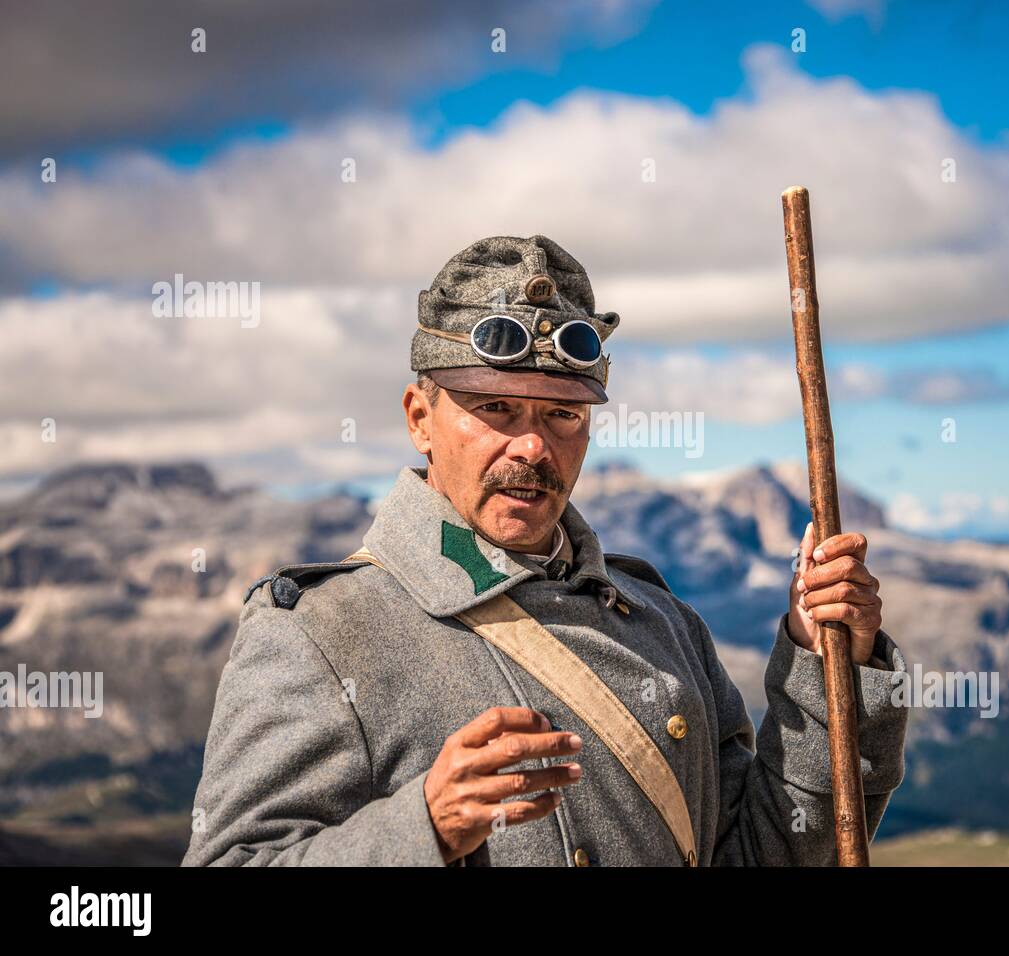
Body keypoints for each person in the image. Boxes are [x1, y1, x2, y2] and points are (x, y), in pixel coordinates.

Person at [182, 235, 907, 866]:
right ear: (419, 419)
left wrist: (820, 660)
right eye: (494, 408)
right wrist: (424, 828)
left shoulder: (660, 620)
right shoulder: (320, 630)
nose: (533, 446)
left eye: (562, 414)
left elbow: (772, 854)